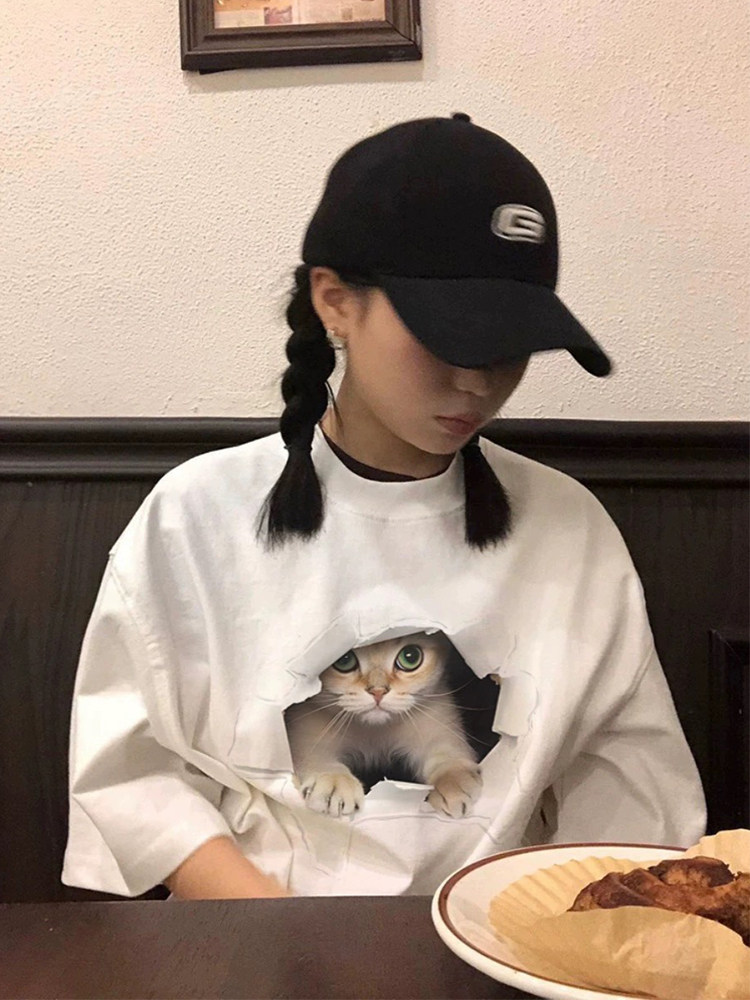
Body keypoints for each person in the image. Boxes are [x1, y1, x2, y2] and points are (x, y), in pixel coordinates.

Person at [62, 113, 706, 901]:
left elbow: (632, 795)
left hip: (505, 936)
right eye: (449, 337)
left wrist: (538, 937)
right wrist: (282, 938)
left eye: (509, 344)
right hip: (254, 937)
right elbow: (134, 774)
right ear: (334, 301)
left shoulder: (567, 527)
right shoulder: (197, 516)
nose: (478, 381)